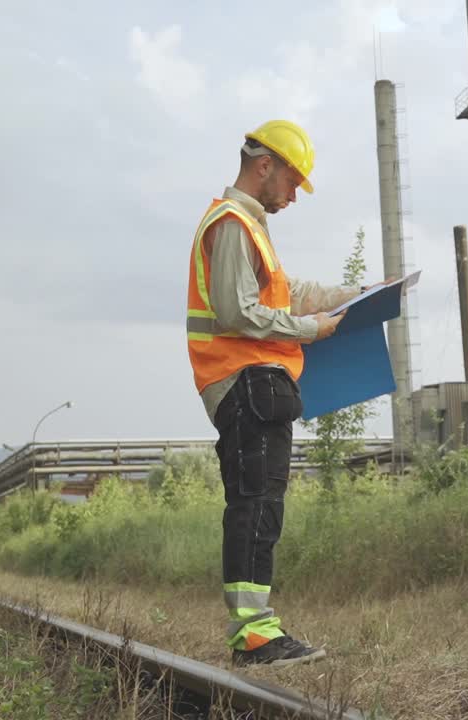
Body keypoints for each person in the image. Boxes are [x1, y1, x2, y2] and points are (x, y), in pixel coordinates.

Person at [185, 120, 355, 667]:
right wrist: (310, 330)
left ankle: (256, 631)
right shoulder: (234, 223)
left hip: (255, 381)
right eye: (291, 182)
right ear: (266, 167)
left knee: (262, 504)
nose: (292, 196)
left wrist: (356, 295)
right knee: (256, 505)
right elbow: (238, 312)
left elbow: (291, 293)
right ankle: (255, 634)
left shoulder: (249, 227)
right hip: (245, 380)